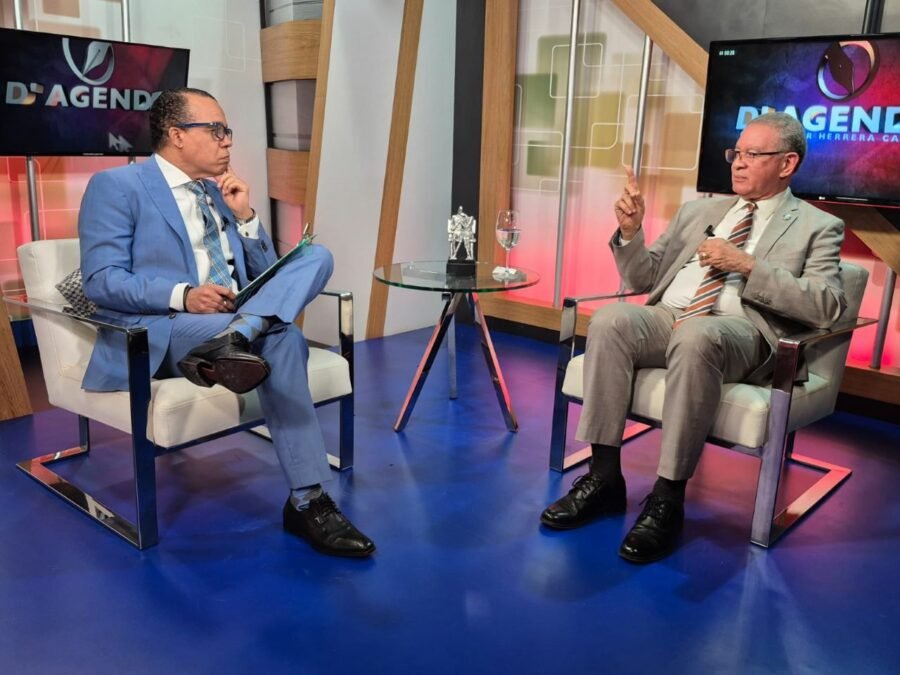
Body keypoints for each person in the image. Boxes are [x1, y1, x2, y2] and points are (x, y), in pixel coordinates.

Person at [78, 87, 375, 558]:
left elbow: (269, 277)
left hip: (233, 316)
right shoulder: (117, 186)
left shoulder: (220, 192)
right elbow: (101, 280)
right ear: (176, 134)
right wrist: (184, 295)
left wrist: (247, 218)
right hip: (166, 328)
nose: (228, 140)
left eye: (227, 130)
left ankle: (240, 335)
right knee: (283, 338)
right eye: (216, 130)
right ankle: (308, 502)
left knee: (317, 255)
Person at [540, 112, 846, 563]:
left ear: (787, 164)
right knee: (611, 320)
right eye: (736, 152)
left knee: (698, 335)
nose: (738, 163)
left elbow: (826, 304)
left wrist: (747, 265)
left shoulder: (817, 226)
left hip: (743, 332)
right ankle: (604, 478)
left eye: (753, 154)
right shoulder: (699, 211)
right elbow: (644, 277)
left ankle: (668, 497)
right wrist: (631, 232)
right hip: (670, 316)